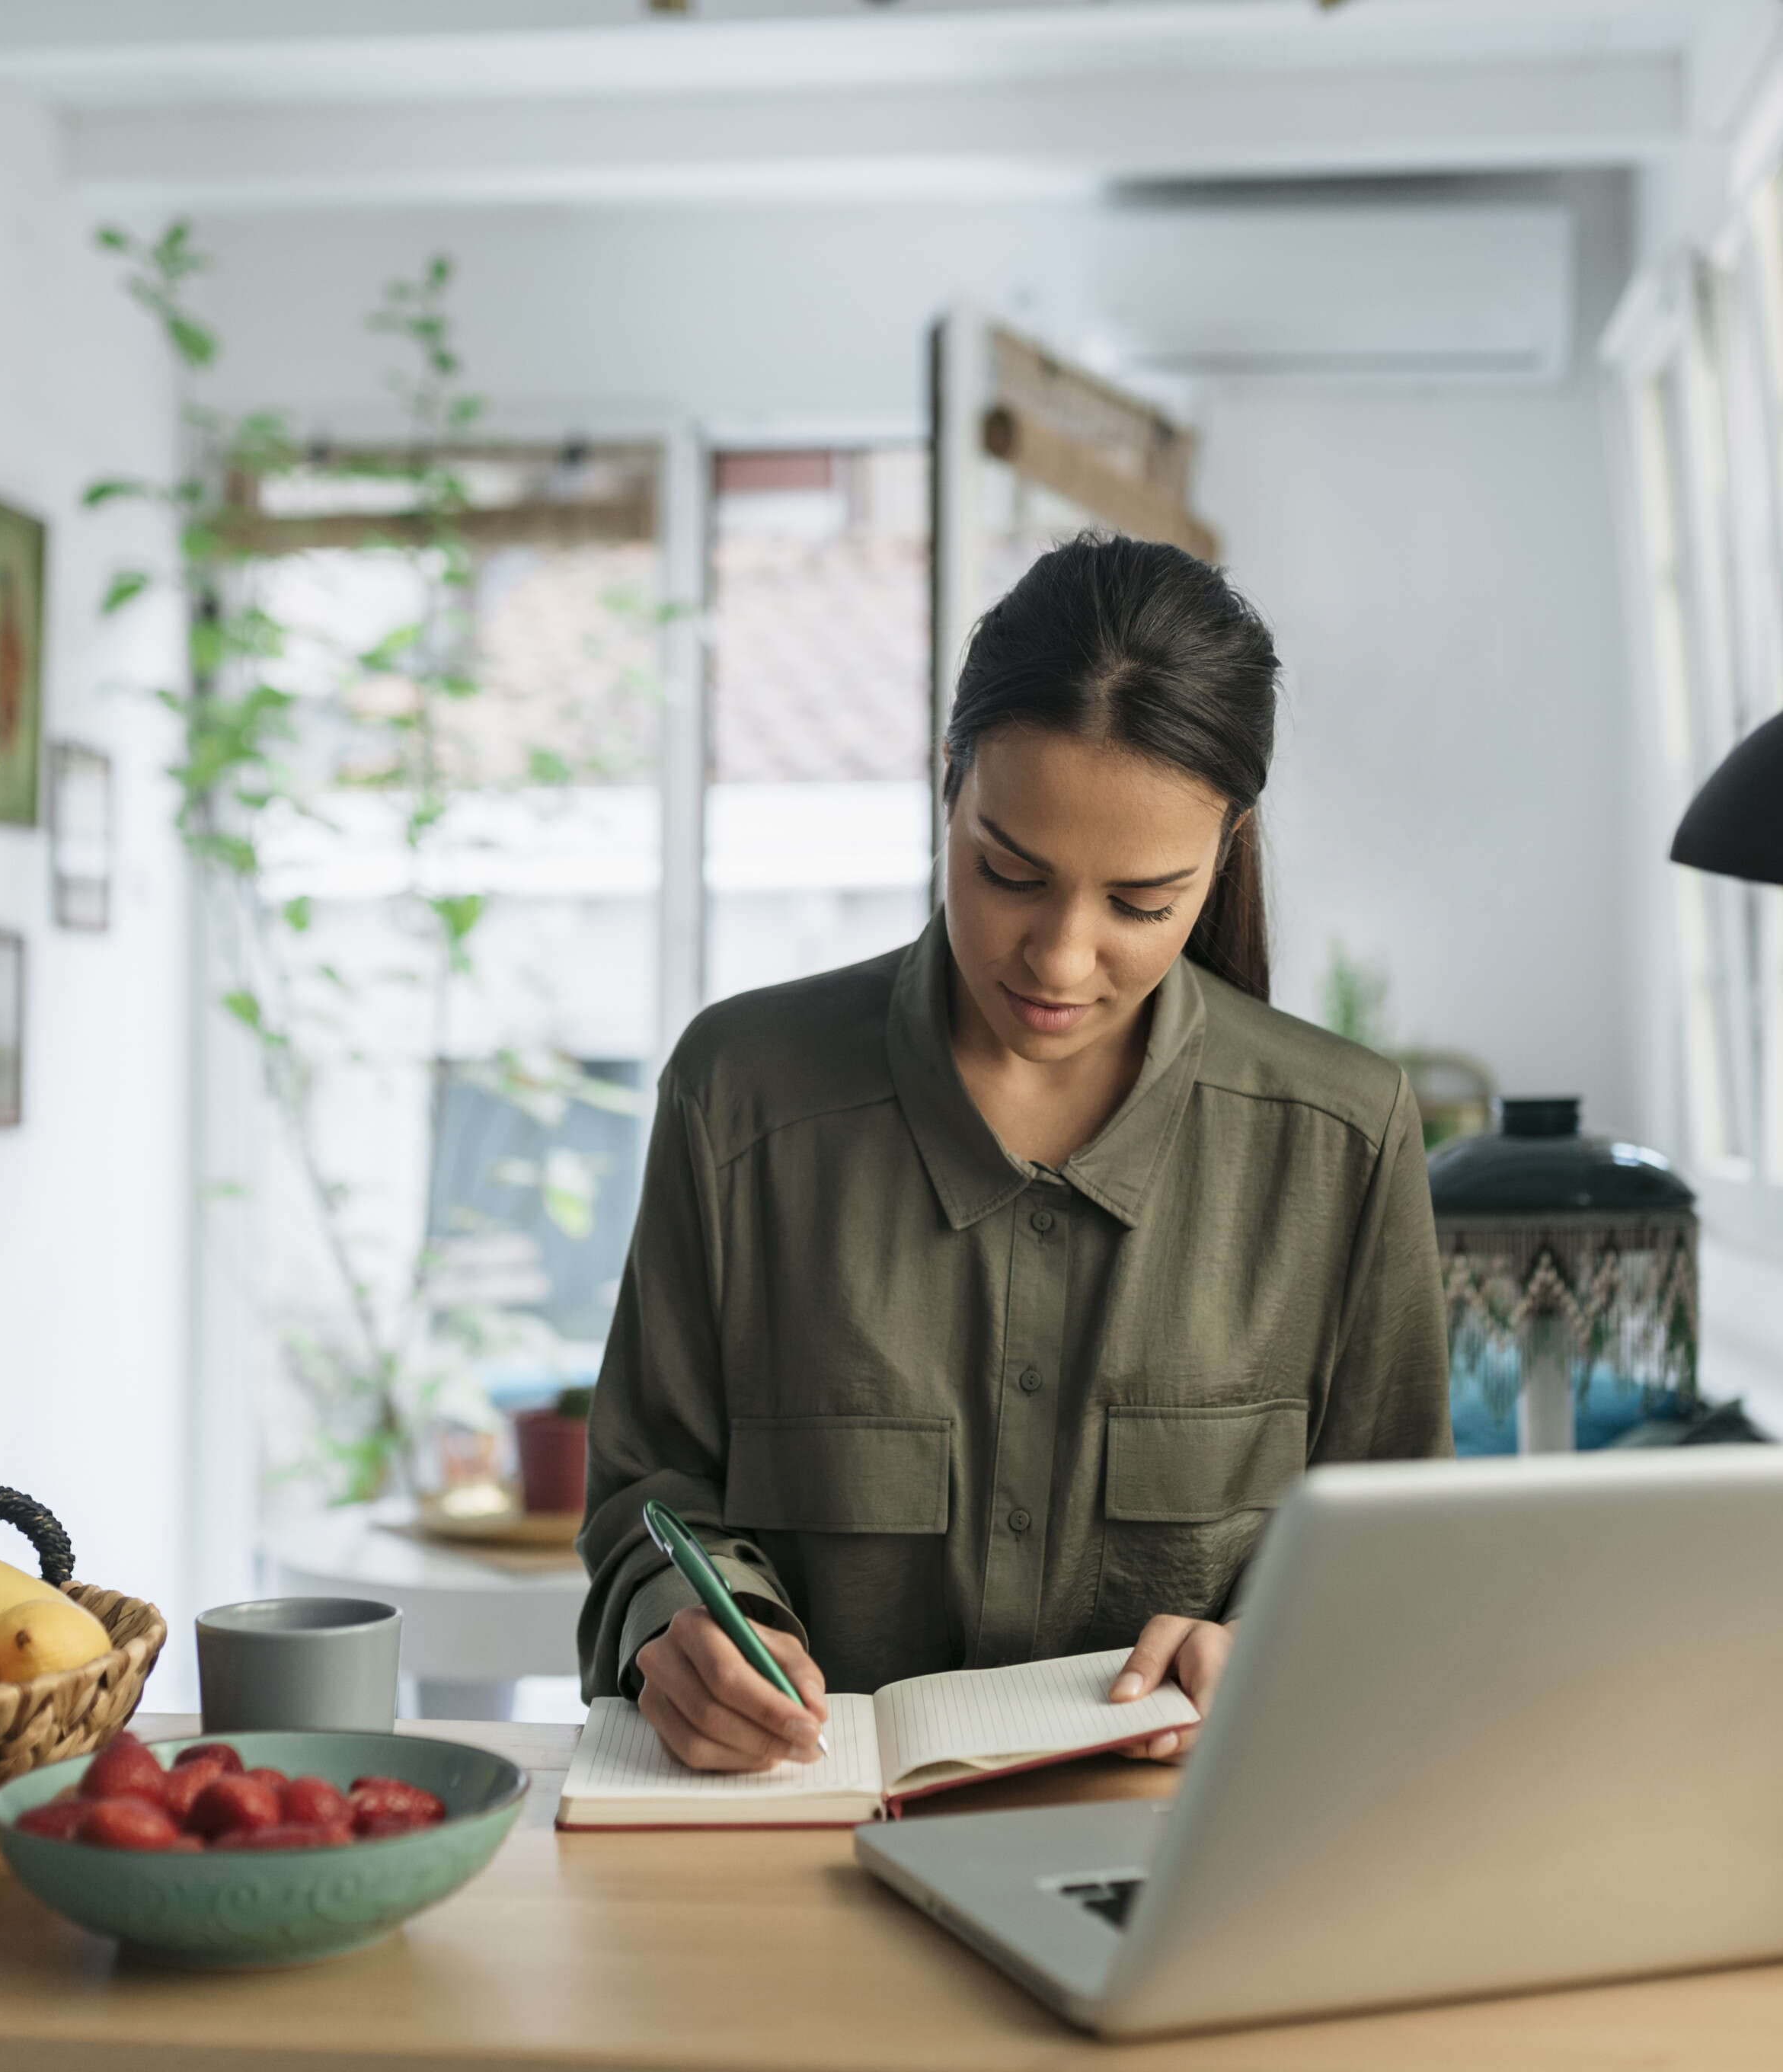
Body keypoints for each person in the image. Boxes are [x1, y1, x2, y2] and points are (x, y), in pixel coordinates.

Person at [577, 533, 1451, 1772]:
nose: (1058, 958)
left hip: (1180, 1860)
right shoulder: (741, 1096)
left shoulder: (1342, 1140)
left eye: (1141, 903)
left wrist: (1279, 1647)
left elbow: (1400, 1564)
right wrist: (690, 1628)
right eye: (1008, 871)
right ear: (949, 781)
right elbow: (647, 1495)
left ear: (1227, 847)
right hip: (796, 1850)